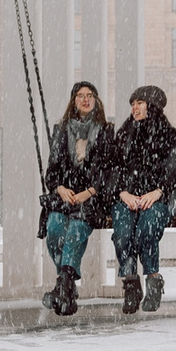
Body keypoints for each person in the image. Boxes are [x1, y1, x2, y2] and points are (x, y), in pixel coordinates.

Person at [111, 85, 176, 314]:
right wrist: (122, 192)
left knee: (148, 227)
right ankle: (130, 283)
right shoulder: (124, 135)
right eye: (132, 104)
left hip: (157, 198)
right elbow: (113, 168)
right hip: (127, 198)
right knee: (123, 233)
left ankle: (153, 279)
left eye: (139, 103)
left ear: (152, 107)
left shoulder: (170, 137)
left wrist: (159, 191)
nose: (134, 108)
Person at [42, 81, 115, 316]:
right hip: (65, 196)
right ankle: (67, 285)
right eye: (81, 96)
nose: (86, 99)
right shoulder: (61, 130)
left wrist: (90, 192)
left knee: (74, 232)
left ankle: (63, 288)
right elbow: (52, 171)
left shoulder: (105, 131)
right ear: (74, 101)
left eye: (90, 95)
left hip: (91, 197)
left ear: (96, 100)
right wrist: (60, 188)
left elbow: (107, 170)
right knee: (53, 229)